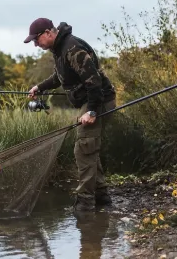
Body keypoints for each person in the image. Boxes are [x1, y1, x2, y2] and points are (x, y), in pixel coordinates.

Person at [24, 18, 116, 212]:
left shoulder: (72, 48)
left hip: (99, 100)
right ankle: (102, 198)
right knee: (88, 147)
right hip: (90, 101)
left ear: (49, 32)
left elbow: (94, 81)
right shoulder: (59, 50)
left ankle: (85, 204)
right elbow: (59, 77)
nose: (35, 44)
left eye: (37, 39)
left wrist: (91, 111)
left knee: (83, 149)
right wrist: (40, 87)